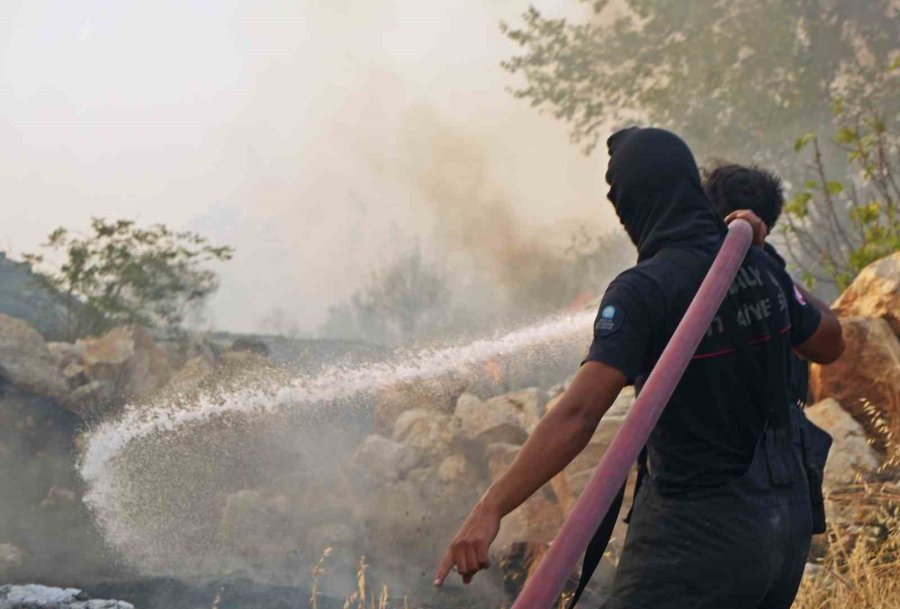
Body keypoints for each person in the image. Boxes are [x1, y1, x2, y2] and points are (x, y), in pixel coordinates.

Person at [433, 128, 844, 609]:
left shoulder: (645, 288)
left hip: (699, 533)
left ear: (633, 203)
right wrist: (759, 251)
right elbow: (830, 340)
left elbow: (578, 415)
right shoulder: (755, 264)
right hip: (784, 526)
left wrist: (490, 507)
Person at [704, 163, 815, 408]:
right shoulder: (771, 275)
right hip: (773, 440)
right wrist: (767, 263)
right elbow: (829, 345)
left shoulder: (677, 276)